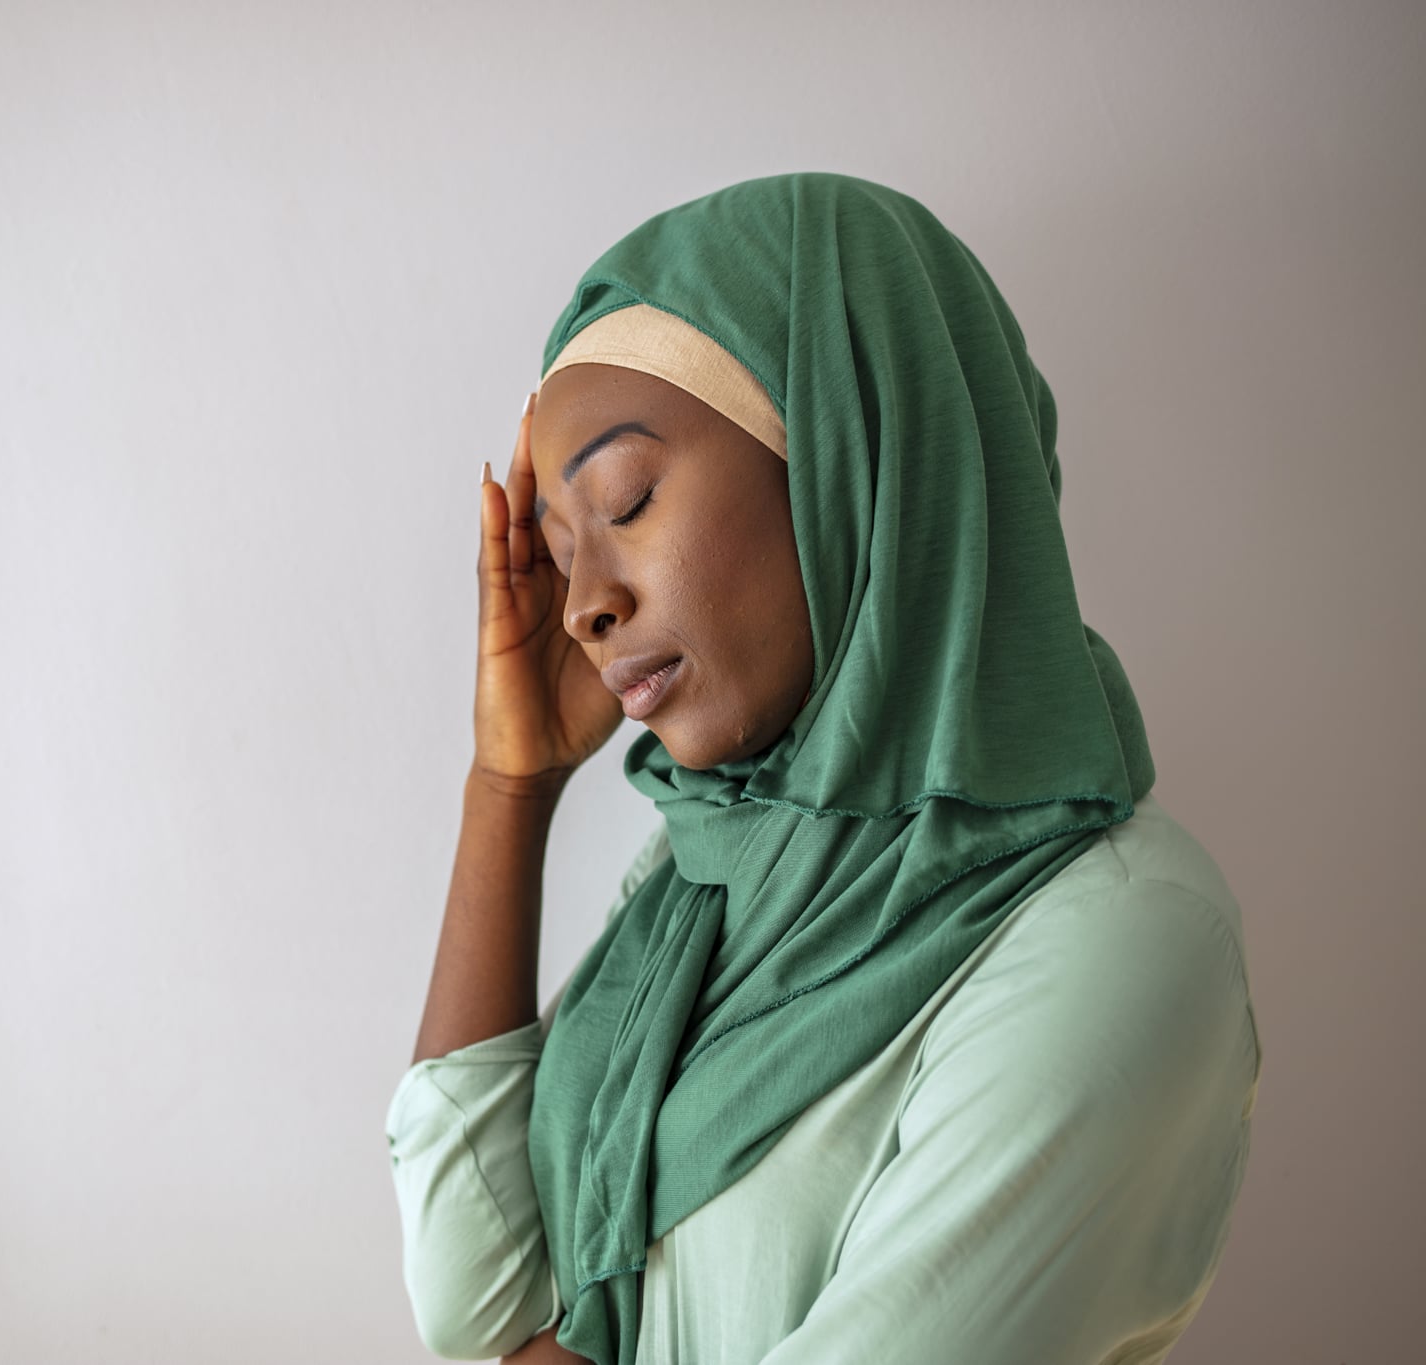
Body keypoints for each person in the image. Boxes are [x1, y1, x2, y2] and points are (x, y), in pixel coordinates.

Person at [384, 172, 1262, 1365]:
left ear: (855, 456)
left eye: (627, 499)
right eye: (557, 549)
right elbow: (469, 1301)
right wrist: (510, 786)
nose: (583, 606)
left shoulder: (1118, 938)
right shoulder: (714, 879)